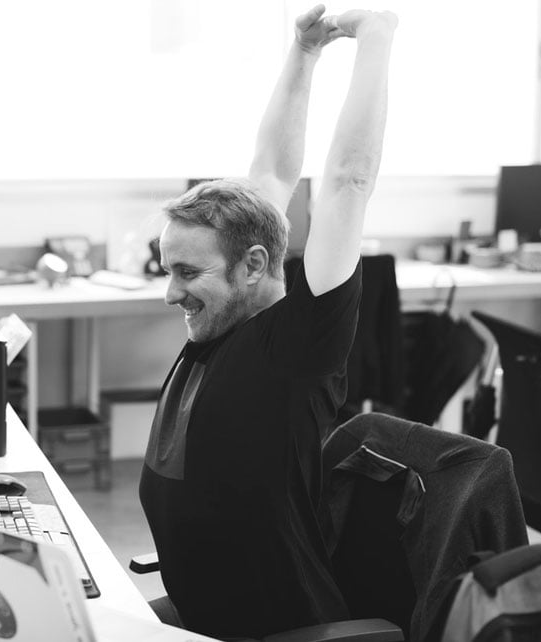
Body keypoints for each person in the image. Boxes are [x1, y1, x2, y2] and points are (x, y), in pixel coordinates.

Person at [138, 5, 397, 640]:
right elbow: (273, 172)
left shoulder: (296, 344)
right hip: (203, 613)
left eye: (188, 274)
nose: (171, 294)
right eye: (167, 270)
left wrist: (376, 35)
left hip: (274, 628)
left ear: (253, 265)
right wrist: (303, 53)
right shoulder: (222, 323)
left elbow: (347, 182)